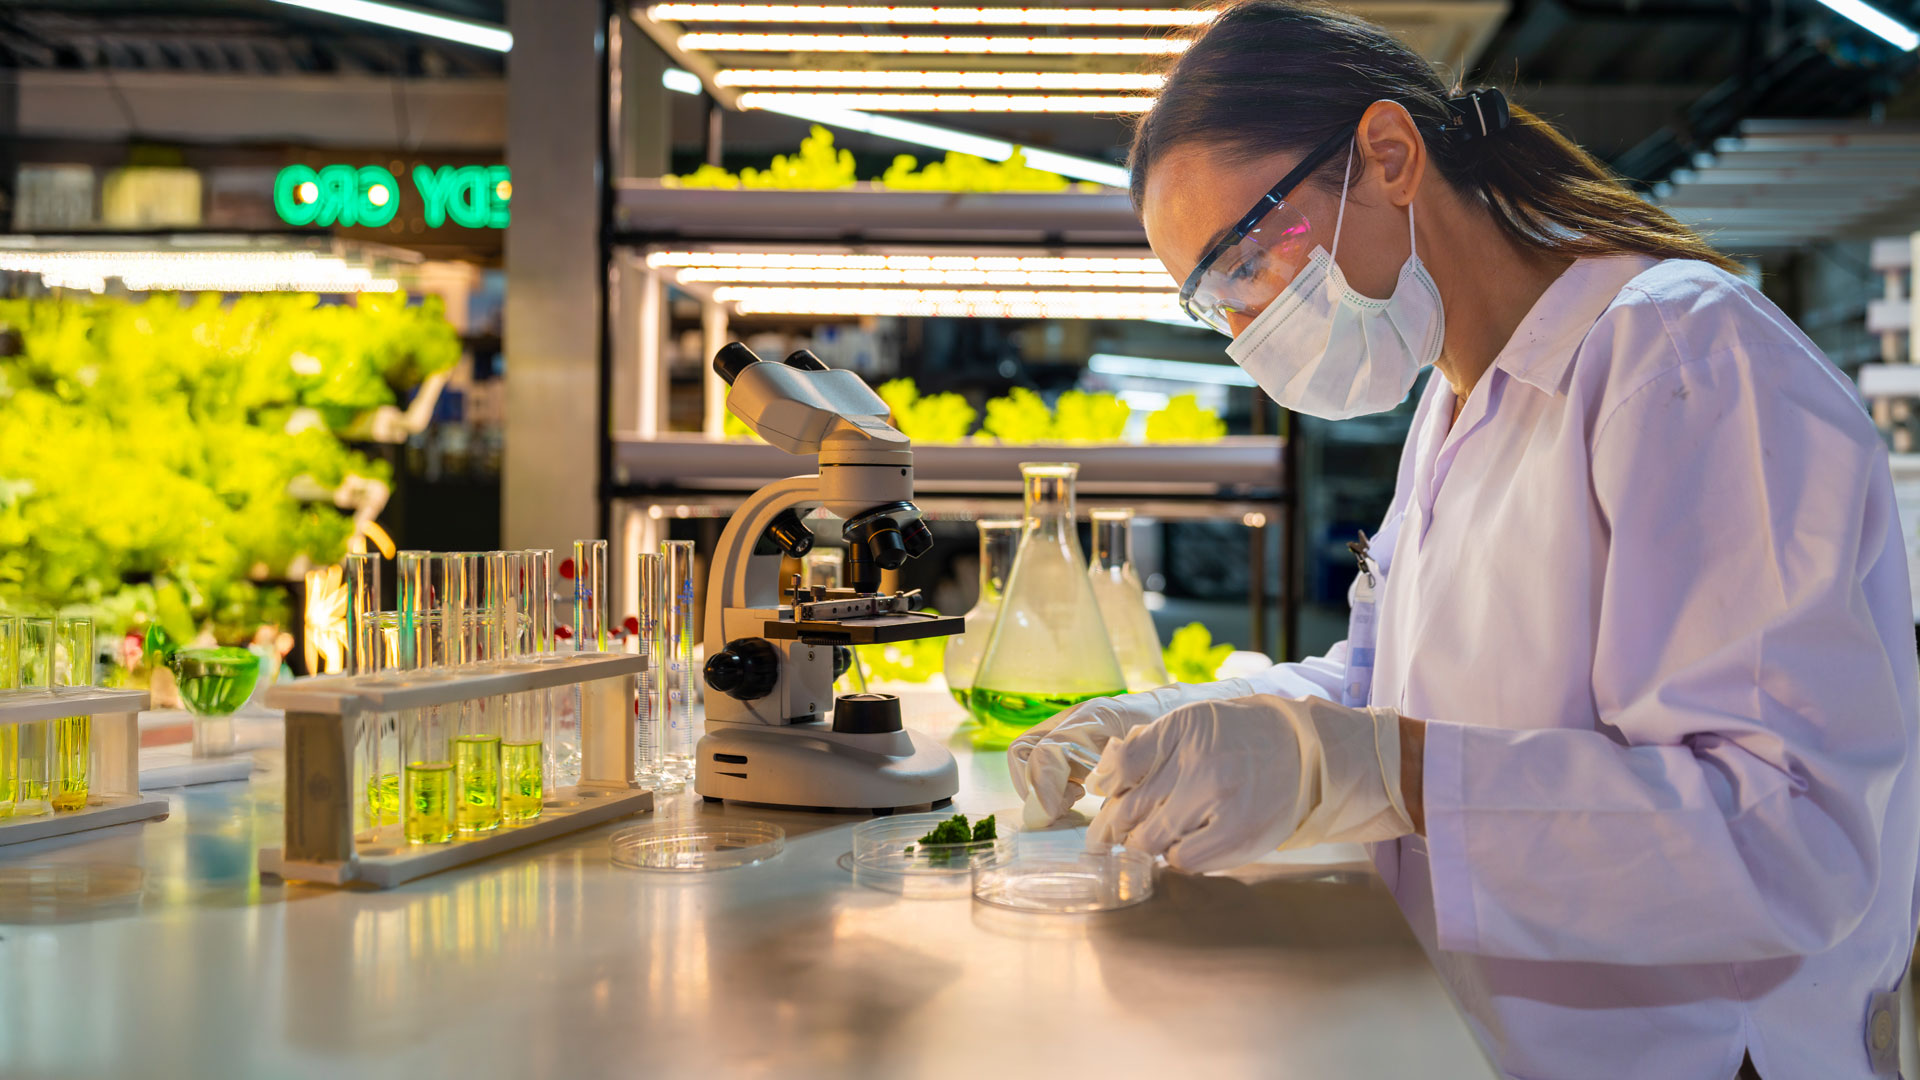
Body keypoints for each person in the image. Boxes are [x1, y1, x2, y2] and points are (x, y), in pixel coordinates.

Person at [1006, 3, 1920, 1077]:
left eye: (1245, 259)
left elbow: (1787, 839)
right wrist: (1173, 723)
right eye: (1214, 305)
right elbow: (1383, 692)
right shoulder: (1458, 401)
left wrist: (1381, 771)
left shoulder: (1681, 357)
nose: (1247, 333)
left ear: (1388, 156)